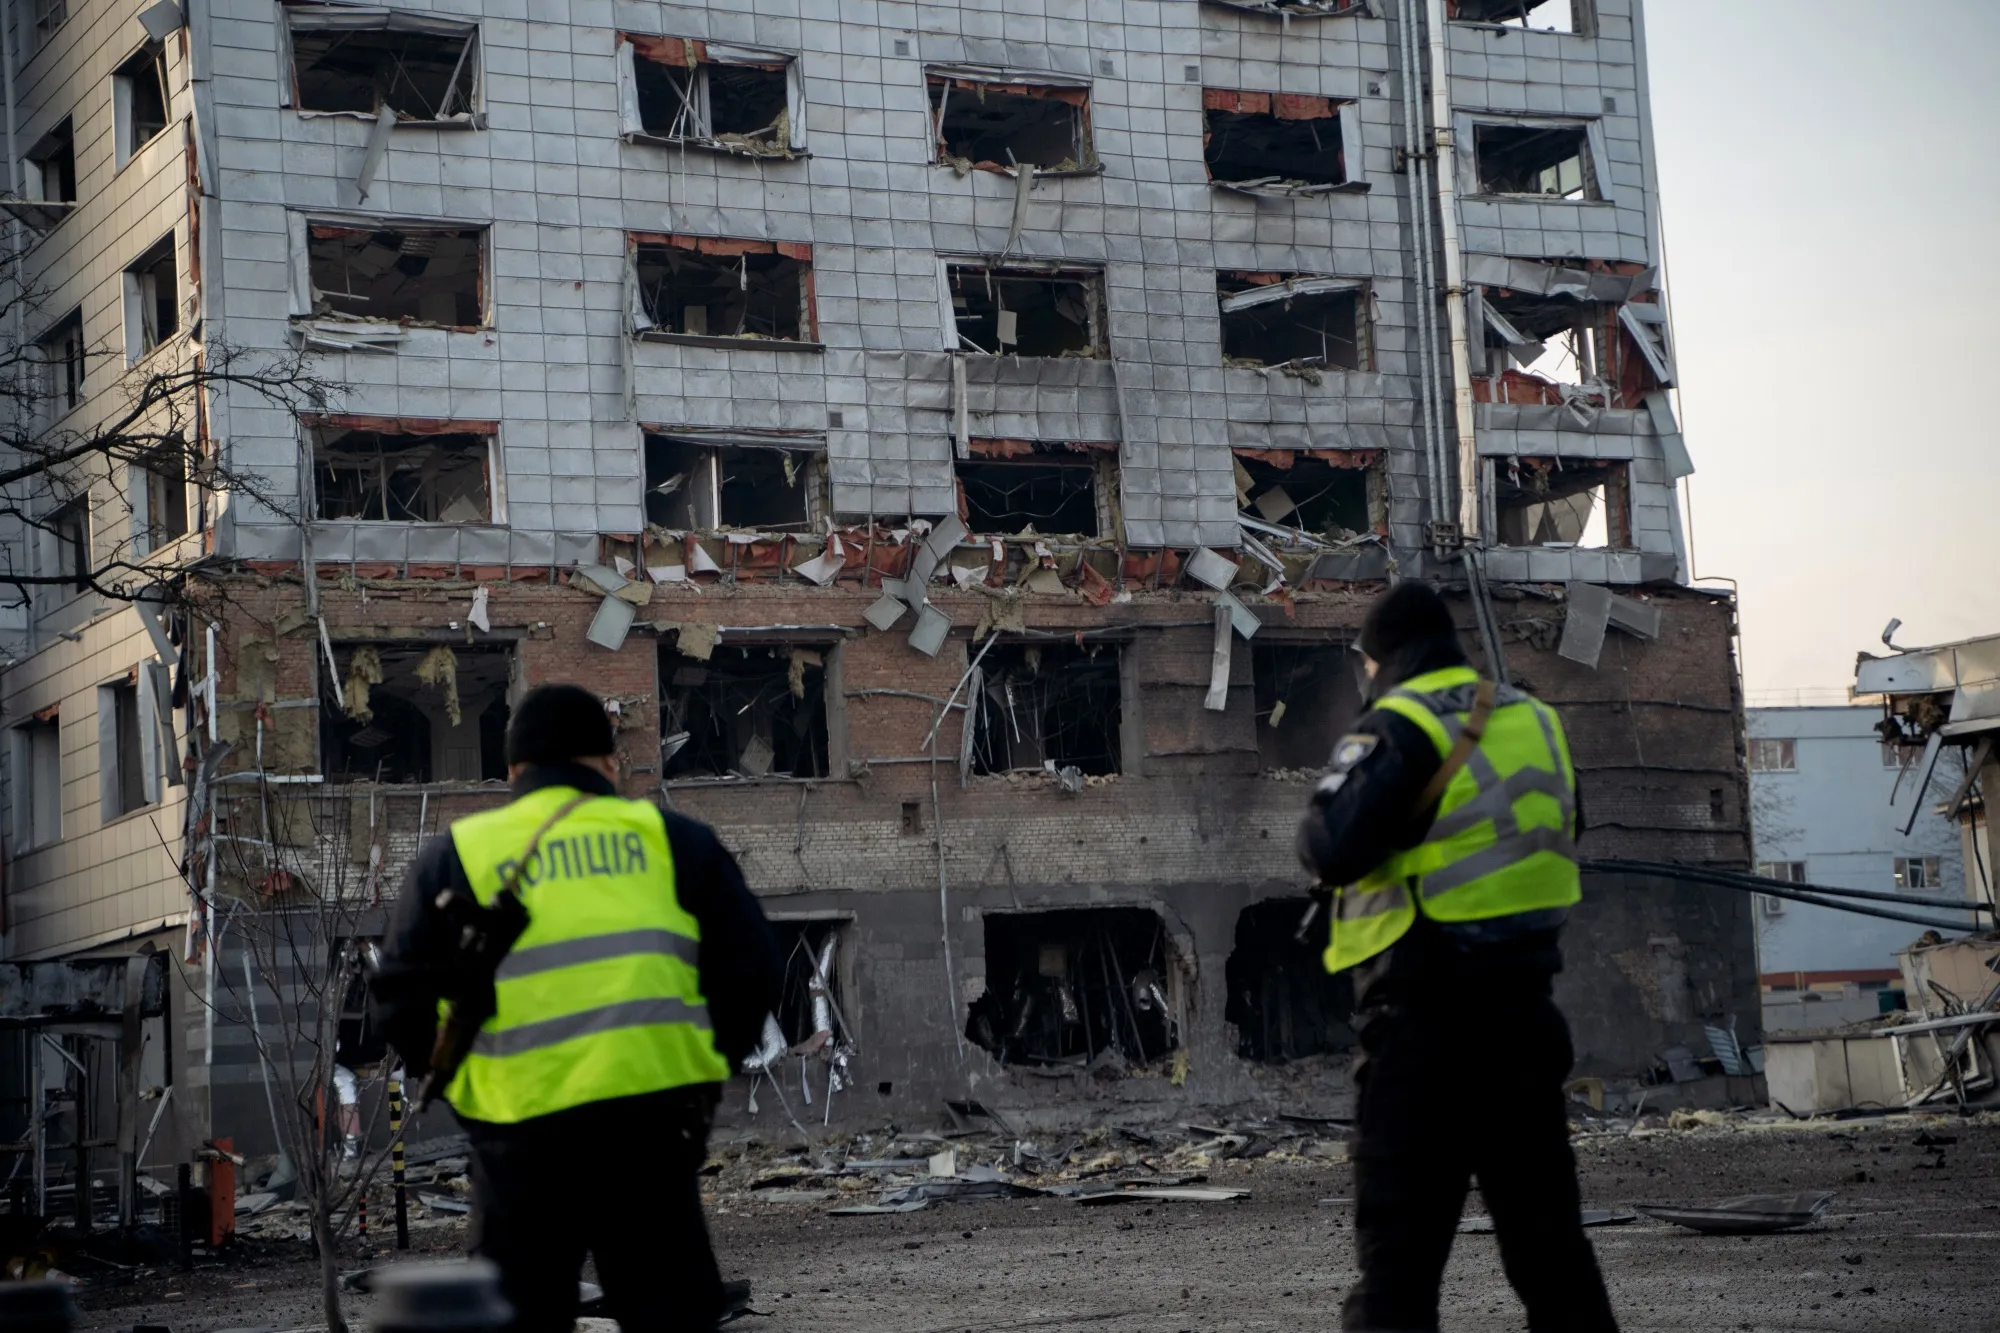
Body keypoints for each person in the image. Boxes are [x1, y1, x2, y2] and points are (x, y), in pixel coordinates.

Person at [372, 683, 780, 1333]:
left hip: (517, 1144)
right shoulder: (673, 841)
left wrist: (472, 1092)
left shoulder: (458, 853)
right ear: (609, 761)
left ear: (512, 770)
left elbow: (396, 996)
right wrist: (707, 1071)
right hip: (651, 1136)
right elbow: (754, 966)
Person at [1296, 582, 1618, 1333]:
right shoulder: (1535, 719)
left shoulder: (1400, 723)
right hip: (1525, 1021)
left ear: (1375, 661)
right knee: (1554, 1261)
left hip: (1423, 1032)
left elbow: (1331, 844)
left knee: (1397, 1276)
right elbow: (1568, 819)